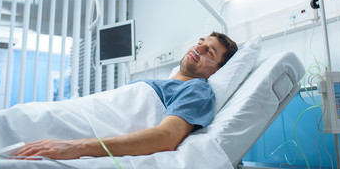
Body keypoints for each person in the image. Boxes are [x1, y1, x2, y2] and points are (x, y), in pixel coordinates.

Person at [14, 32, 238, 160]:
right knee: (19, 117)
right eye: (200, 43)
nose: (198, 49)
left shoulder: (197, 90)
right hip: (79, 113)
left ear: (217, 70)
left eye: (209, 51)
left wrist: (77, 147)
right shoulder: (164, 82)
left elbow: (166, 137)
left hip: (85, 127)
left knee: (17, 125)